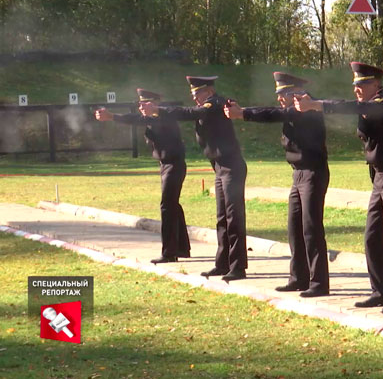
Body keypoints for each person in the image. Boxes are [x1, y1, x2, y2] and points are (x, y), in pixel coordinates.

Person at [295, 62, 383, 314]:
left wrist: (317, 105)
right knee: (372, 236)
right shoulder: (368, 104)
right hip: (380, 176)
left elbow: (360, 108)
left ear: (375, 84)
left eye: (361, 84)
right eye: (355, 85)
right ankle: (380, 292)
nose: (357, 89)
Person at [224, 72, 330, 298]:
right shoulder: (294, 107)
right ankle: (298, 277)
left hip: (312, 172)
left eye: (283, 93)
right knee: (295, 227)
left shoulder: (306, 105)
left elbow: (273, 114)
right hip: (298, 174)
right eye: (279, 94)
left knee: (311, 228)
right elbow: (276, 111)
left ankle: (319, 282)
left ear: (295, 92)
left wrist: (243, 113)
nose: (280, 98)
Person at [141, 76, 248, 282]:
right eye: (193, 95)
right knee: (222, 218)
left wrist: (159, 110)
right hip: (219, 166)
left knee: (234, 218)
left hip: (231, 166)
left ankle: (238, 266)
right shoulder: (210, 104)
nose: (195, 98)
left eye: (197, 94)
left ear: (208, 92)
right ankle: (223, 263)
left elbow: (193, 112)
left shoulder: (214, 103)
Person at [95, 88, 191, 264]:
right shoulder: (152, 118)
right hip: (167, 165)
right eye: (139, 104)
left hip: (174, 165)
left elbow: (135, 119)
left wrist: (111, 116)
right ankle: (181, 248)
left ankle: (169, 253)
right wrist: (111, 116)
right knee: (172, 205)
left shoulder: (164, 116)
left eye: (144, 103)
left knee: (167, 206)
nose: (140, 107)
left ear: (154, 104)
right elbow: (138, 119)